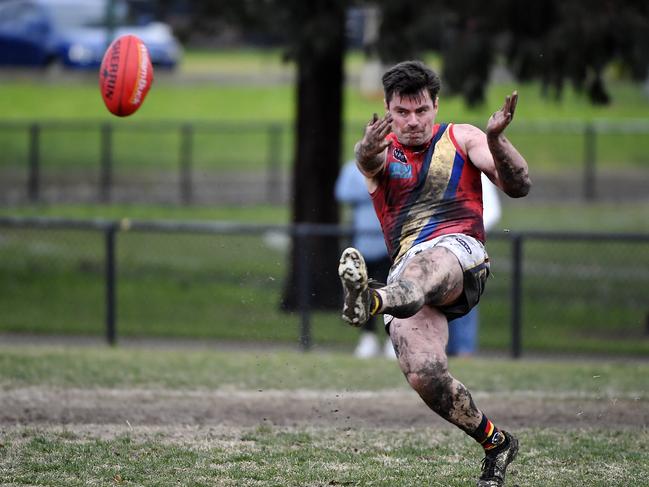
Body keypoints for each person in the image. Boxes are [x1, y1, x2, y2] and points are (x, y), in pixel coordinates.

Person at [337, 60, 531, 486]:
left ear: (435, 105)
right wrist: (365, 148)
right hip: (409, 273)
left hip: (461, 255)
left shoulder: (463, 137)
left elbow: (518, 184)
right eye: (401, 113)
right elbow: (364, 157)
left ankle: (370, 299)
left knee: (427, 264)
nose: (412, 121)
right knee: (425, 373)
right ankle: (495, 442)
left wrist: (497, 139)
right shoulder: (382, 152)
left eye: (420, 110)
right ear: (387, 109)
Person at [335, 160, 395, 359]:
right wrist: (372, 187)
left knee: (390, 291)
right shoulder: (352, 169)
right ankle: (368, 337)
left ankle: (391, 339)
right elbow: (342, 192)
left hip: (389, 243)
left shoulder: (395, 166)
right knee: (362, 291)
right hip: (363, 243)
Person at [446, 174, 501, 357]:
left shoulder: (476, 171)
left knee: (466, 294)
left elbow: (492, 210)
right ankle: (440, 348)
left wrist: (470, 231)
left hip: (467, 245)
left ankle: (464, 349)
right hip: (437, 245)